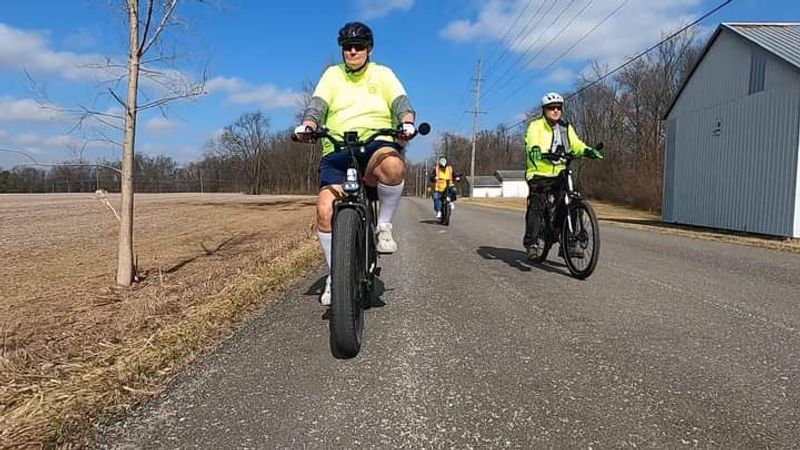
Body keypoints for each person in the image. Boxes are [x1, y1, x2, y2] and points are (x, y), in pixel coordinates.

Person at [294, 22, 417, 305]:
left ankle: (383, 226)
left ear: (369, 49)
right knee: (325, 211)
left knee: (394, 167)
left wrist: (406, 124)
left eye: (359, 46)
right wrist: (309, 125)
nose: (352, 51)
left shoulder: (383, 74)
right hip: (337, 147)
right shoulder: (332, 75)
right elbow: (317, 107)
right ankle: (336, 275)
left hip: (376, 142)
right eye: (347, 47)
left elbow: (402, 104)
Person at [523, 92, 603, 260]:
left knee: (571, 200)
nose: (556, 110)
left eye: (559, 107)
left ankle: (568, 242)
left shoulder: (565, 126)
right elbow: (532, 141)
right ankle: (532, 243)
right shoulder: (535, 126)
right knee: (537, 204)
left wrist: (588, 151)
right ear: (544, 110)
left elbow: (576, 144)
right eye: (552, 108)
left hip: (560, 171)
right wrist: (536, 150)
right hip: (539, 173)